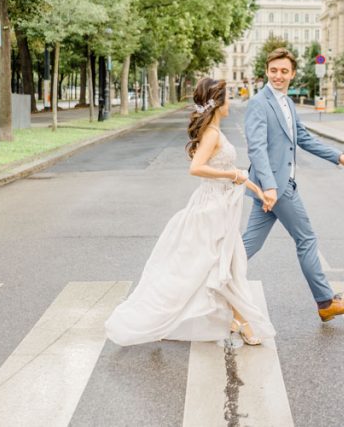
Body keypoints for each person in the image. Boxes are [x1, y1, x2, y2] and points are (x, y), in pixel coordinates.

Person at [106, 78, 275, 347]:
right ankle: (239, 322)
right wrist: (230, 174)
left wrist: (258, 191)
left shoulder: (216, 131)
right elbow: (196, 168)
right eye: (227, 97)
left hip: (220, 205)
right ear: (218, 102)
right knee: (218, 265)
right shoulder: (211, 134)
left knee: (226, 264)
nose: (230, 102)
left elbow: (237, 175)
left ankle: (238, 320)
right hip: (211, 208)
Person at [243, 48, 344, 322]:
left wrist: (338, 156)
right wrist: (271, 187)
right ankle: (326, 302)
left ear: (293, 74)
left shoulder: (287, 103)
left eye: (284, 71)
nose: (278, 76)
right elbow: (257, 148)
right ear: (266, 71)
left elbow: (304, 139)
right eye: (273, 70)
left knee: (248, 245)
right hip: (278, 187)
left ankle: (209, 280)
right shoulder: (259, 103)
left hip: (273, 187)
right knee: (306, 239)